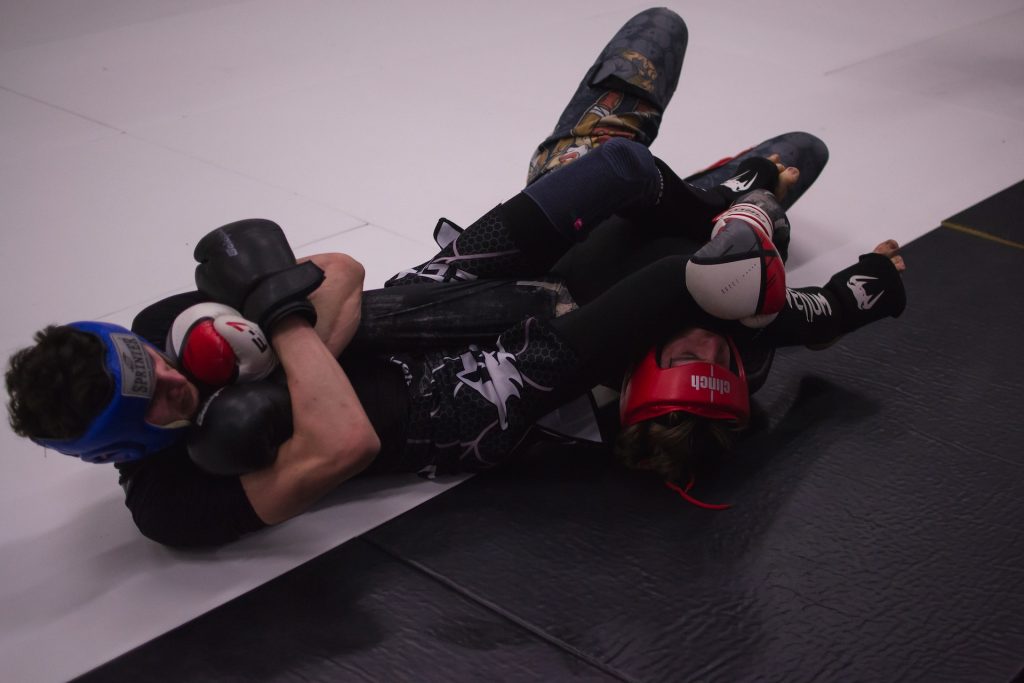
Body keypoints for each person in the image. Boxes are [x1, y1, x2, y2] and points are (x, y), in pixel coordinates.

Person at [5, 9, 906, 547]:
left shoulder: (169, 323)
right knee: (685, 279)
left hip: (431, 291)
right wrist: (280, 331)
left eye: (148, 357)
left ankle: (706, 201)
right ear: (123, 447)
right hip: (468, 400)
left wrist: (288, 324)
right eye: (158, 397)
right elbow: (345, 445)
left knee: (624, 175)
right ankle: (806, 294)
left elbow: (347, 273)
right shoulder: (169, 502)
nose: (170, 370)